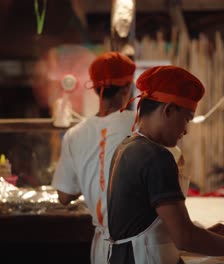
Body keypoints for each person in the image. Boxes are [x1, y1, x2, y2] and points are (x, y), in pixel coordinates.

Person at [106, 66, 224, 264]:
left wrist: (207, 236)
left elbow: (145, 224)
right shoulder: (155, 157)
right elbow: (185, 238)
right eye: (187, 119)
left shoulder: (127, 146)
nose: (186, 130)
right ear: (168, 110)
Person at [51, 51, 137, 264]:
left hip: (101, 248)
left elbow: (64, 195)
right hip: (137, 246)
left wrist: (91, 179)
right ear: (127, 88)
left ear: (96, 88)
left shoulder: (75, 134)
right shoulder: (140, 124)